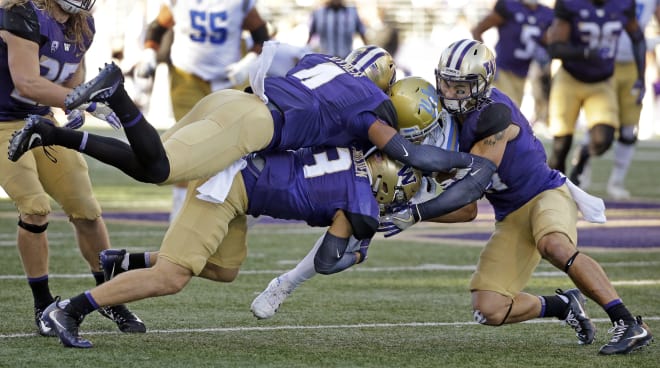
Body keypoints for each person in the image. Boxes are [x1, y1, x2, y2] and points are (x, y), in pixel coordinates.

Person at [379, 39, 653, 355]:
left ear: (481, 85)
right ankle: (561, 305)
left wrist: (416, 212)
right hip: (510, 216)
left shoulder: (494, 115)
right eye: (446, 84)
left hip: (545, 194)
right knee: (489, 309)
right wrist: (401, 202)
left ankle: (626, 322)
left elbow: (471, 186)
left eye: (460, 88)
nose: (450, 94)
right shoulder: (445, 116)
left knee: (553, 245)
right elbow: (467, 210)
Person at [8, 46, 497, 207]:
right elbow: (412, 157)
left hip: (234, 100)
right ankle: (115, 91)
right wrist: (467, 163)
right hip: (256, 124)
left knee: (146, 162)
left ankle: (51, 134)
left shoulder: (324, 61)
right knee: (159, 169)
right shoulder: (372, 105)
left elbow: (280, 60)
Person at [38, 145, 422, 348]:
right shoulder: (361, 200)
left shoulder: (353, 148)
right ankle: (70, 309)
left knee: (225, 270)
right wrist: (357, 252)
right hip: (227, 187)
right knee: (172, 277)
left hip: (241, 179)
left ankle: (125, 260)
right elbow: (325, 261)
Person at [249, 76, 474, 319]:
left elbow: (467, 209)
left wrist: (411, 212)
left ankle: (286, 284)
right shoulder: (381, 110)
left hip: (398, 182)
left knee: (354, 220)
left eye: (410, 135)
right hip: (362, 153)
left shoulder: (445, 142)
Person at [0, 0, 145, 336]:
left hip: (42, 121)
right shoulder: (21, 13)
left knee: (87, 210)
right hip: (3, 124)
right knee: (35, 207)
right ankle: (43, 304)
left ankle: (110, 297)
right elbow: (27, 83)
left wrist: (75, 101)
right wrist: (82, 99)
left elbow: (72, 79)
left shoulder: (82, 24)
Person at [132, 0, 270, 222]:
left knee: (231, 150)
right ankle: (179, 214)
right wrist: (149, 52)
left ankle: (229, 210)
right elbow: (158, 27)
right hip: (187, 76)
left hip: (228, 77)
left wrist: (249, 61)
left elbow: (261, 35)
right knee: (184, 144)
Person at [544, 0, 647, 188]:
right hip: (570, 78)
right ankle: (556, 192)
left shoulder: (623, 4)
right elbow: (554, 48)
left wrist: (641, 76)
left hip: (602, 81)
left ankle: (581, 160)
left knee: (603, 140)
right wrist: (584, 52)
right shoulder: (570, 4)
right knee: (560, 147)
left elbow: (637, 37)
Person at [575, 0, 660, 198]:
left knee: (629, 129)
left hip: (633, 65)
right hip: (605, 63)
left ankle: (617, 181)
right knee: (597, 125)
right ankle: (582, 170)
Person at [471, 0, 554, 108]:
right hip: (503, 71)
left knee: (513, 110)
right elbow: (477, 30)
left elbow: (551, 40)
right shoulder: (508, 7)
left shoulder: (546, 13)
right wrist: (485, 59)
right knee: (505, 110)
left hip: (524, 73)